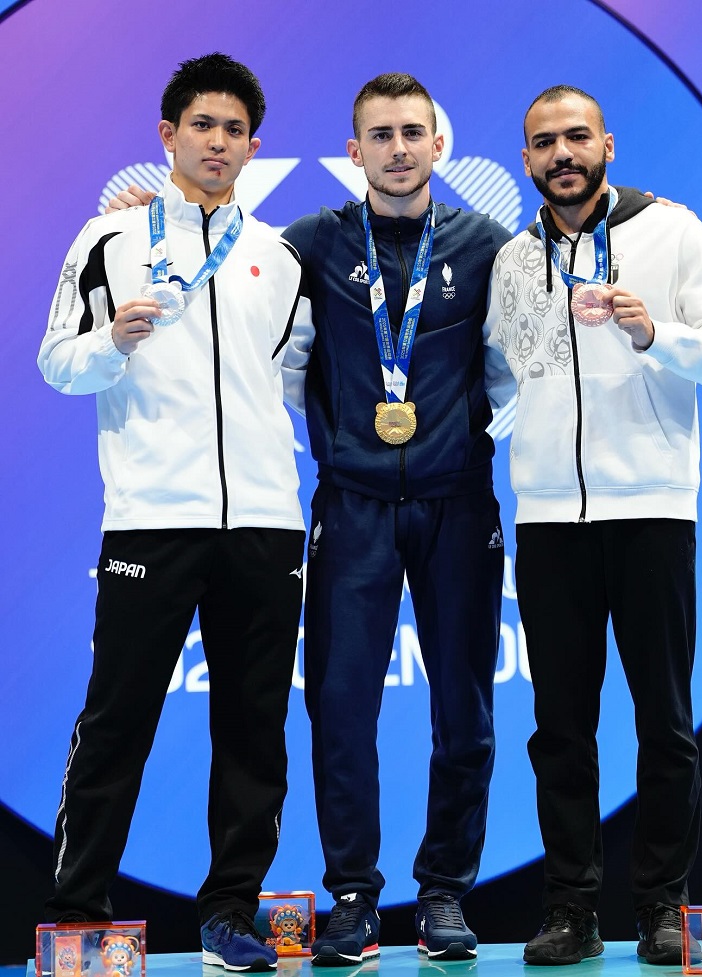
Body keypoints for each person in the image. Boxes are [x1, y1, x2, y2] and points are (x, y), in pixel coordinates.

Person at [38, 53, 305, 974]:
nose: (217, 142)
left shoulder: (281, 258)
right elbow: (56, 362)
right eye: (202, 125)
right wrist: (111, 344)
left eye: (234, 130)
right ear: (168, 135)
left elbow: (297, 382)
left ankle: (230, 913)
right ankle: (77, 915)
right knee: (117, 719)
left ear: (254, 147)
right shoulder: (108, 240)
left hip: (265, 522)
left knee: (254, 728)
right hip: (151, 517)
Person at [485, 85, 702, 966]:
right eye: (543, 142)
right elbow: (500, 373)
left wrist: (655, 332)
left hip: (652, 510)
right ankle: (571, 908)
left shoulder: (673, 231)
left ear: (608, 144)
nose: (561, 154)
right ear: (526, 160)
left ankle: (665, 904)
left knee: (664, 719)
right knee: (560, 726)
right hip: (549, 518)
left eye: (576, 137)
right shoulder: (512, 261)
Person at [280, 73, 514, 967]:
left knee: (465, 707)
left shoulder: (487, 246)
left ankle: (445, 891)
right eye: (380, 135)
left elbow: (529, 345)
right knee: (341, 706)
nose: (399, 149)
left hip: (458, 502)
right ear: (355, 150)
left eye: (413, 132)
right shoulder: (308, 244)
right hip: (353, 503)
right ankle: (353, 897)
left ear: (438, 144)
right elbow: (221, 275)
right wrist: (156, 210)